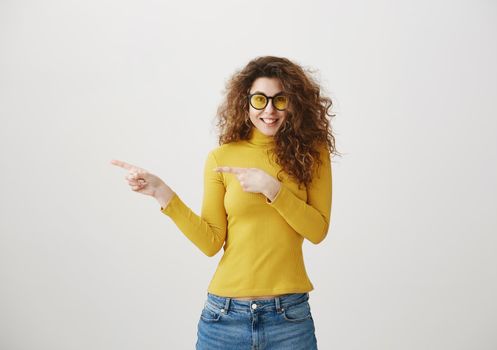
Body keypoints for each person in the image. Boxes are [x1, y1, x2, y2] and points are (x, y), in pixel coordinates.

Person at [111, 56, 337, 349]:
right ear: (246, 103)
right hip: (224, 318)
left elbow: (317, 230)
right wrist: (161, 192)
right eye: (260, 99)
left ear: (293, 103)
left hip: (289, 321)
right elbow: (211, 242)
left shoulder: (313, 154)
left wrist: (274, 190)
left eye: (279, 100)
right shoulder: (222, 157)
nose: (269, 110)